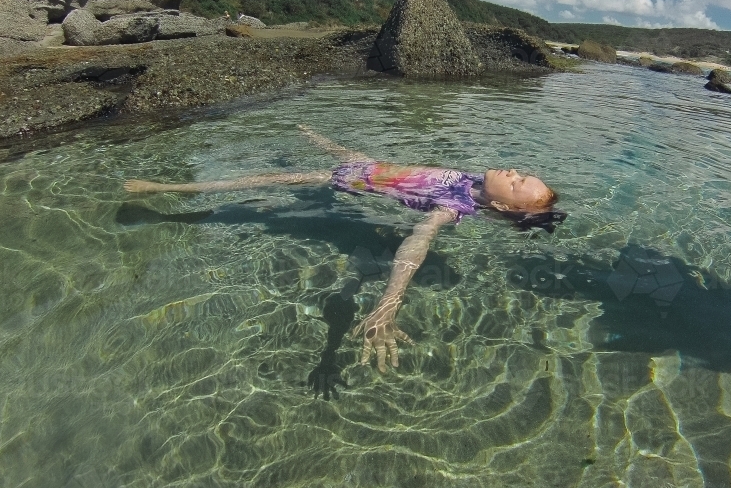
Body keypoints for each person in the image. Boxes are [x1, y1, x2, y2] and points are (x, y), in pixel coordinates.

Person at [124, 125, 565, 373]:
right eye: (521, 173)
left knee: (267, 182)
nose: (514, 172)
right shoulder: (470, 182)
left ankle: (167, 189)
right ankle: (309, 133)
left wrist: (386, 308)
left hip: (349, 181)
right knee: (319, 142)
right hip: (366, 164)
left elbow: (417, 244)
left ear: (504, 205)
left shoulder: (455, 207)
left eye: (518, 182)